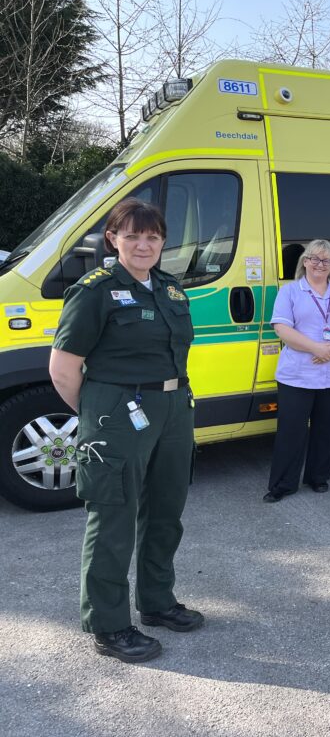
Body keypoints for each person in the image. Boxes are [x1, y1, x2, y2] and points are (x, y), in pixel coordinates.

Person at [49, 198, 202, 664]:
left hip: (173, 406)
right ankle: (109, 624)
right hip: (119, 411)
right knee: (113, 516)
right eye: (132, 235)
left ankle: (156, 602)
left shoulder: (171, 289)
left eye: (152, 236)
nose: (143, 244)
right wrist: (101, 413)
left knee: (165, 511)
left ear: (162, 242)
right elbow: (63, 368)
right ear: (112, 239)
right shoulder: (94, 289)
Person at [264, 239, 330, 502]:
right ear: (305, 261)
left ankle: (318, 477)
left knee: (327, 429)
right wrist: (316, 349)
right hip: (298, 374)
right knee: (291, 431)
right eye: (315, 259)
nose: (320, 264)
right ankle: (282, 485)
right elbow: (282, 329)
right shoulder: (290, 292)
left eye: (326, 260)